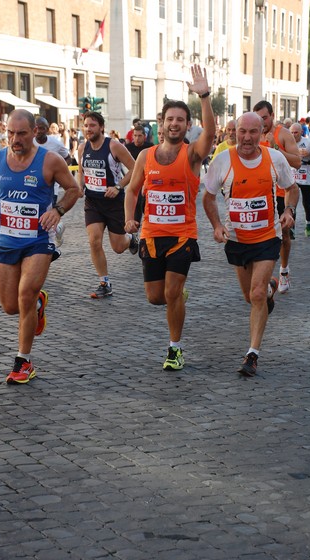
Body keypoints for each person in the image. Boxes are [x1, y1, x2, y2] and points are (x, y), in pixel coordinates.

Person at [0, 109, 81, 384]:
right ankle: (38, 303)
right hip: (6, 240)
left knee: (25, 294)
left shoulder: (50, 161)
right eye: (10, 132)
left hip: (37, 241)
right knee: (11, 307)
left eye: (21, 133)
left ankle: (24, 362)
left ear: (35, 132)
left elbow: (73, 189)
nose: (14, 138)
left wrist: (57, 211)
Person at [124, 64, 215, 371]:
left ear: (188, 125)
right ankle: (176, 297)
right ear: (161, 123)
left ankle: (174, 348)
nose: (174, 124)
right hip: (151, 234)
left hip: (182, 235)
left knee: (172, 292)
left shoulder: (191, 155)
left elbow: (211, 133)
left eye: (180, 120)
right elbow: (133, 190)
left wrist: (203, 96)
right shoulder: (145, 156)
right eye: (169, 119)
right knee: (155, 297)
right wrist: (129, 219)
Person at [202, 112, 299, 377]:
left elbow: (292, 188)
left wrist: (289, 210)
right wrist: (217, 226)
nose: (246, 137)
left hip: (268, 236)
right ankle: (269, 288)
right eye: (242, 131)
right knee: (251, 296)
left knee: (255, 296)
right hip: (236, 239)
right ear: (234, 132)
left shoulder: (274, 158)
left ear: (262, 133)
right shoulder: (223, 161)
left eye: (253, 132)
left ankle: (252, 355)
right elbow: (208, 198)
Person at [77, 110, 138, 299]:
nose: (88, 129)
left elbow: (135, 168)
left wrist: (118, 187)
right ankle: (105, 282)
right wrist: (80, 186)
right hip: (93, 201)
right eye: (86, 125)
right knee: (94, 241)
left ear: (101, 127)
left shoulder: (114, 146)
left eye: (92, 125)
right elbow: (81, 170)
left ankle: (132, 240)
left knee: (118, 247)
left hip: (113, 202)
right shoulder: (82, 148)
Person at [253, 100, 301, 294]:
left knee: (283, 236)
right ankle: (262, 278)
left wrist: (276, 149)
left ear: (272, 115)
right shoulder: (253, 134)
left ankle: (283, 271)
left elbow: (297, 161)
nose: (262, 122)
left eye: (264, 118)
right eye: (258, 118)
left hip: (281, 192)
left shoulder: (283, 133)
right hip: (258, 194)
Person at [34, 117, 71, 247]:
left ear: (47, 130)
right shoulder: (30, 142)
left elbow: (68, 158)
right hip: (32, 186)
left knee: (47, 217)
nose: (39, 131)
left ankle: (48, 247)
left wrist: (57, 174)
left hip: (50, 188)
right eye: (37, 128)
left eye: (42, 128)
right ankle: (58, 228)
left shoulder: (55, 144)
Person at [125, 124, 154, 224]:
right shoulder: (127, 147)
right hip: (134, 179)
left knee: (145, 204)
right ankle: (135, 226)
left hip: (147, 180)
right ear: (132, 136)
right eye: (135, 135)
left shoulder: (150, 147)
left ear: (144, 136)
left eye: (139, 136)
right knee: (135, 204)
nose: (137, 138)